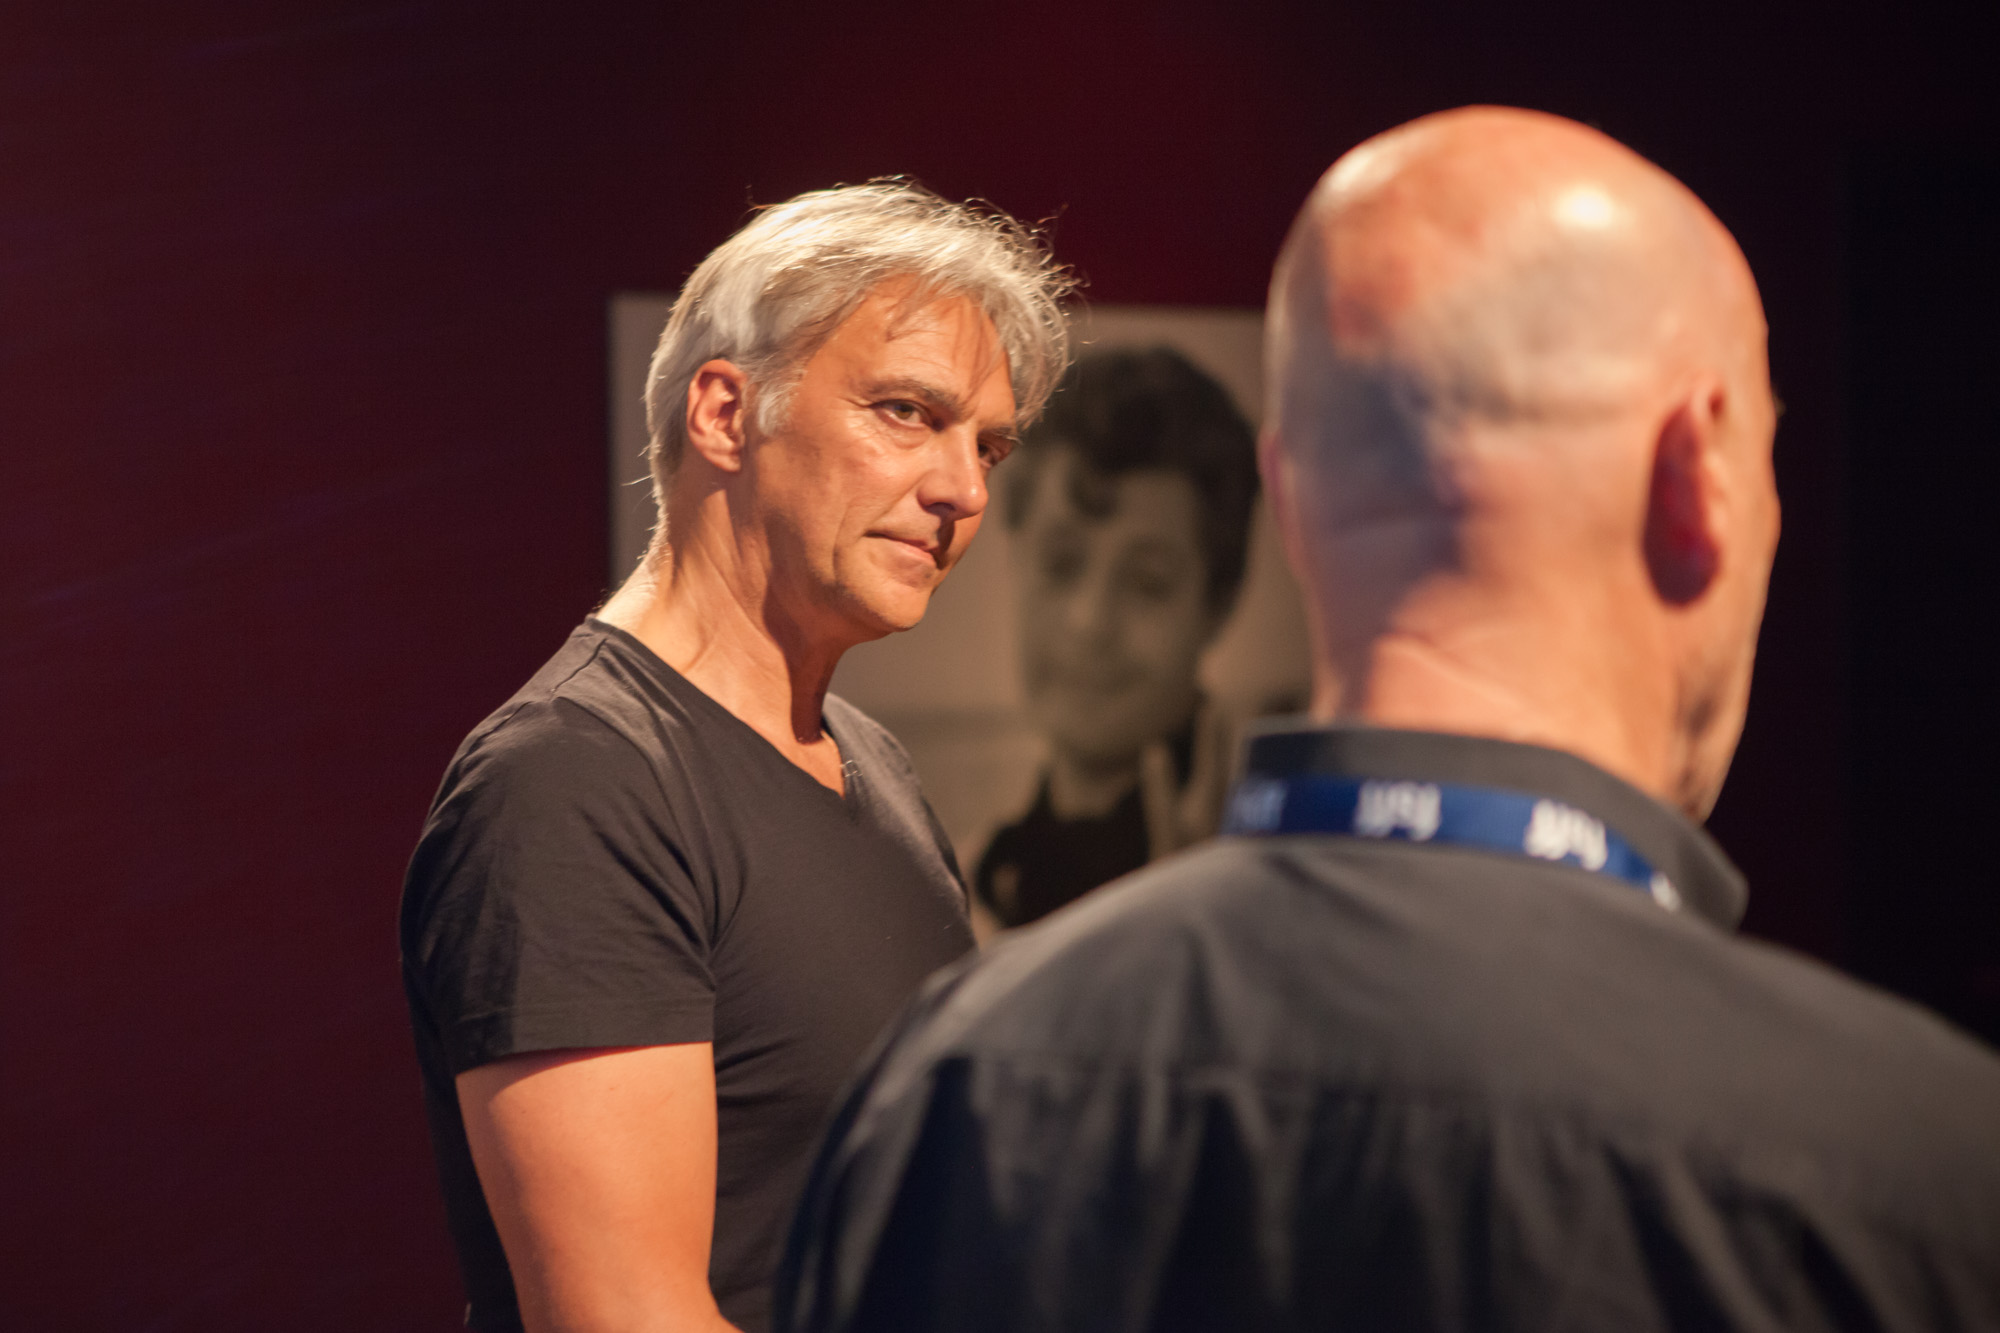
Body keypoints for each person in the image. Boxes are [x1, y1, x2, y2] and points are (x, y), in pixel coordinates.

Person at [776, 110, 2000, 1332]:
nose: (1091, 625)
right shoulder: (1923, 1174)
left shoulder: (950, 1094)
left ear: (1287, 500)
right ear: (1701, 479)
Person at [399, 181, 1072, 1333]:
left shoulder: (872, 761)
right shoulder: (574, 782)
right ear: (723, 413)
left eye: (987, 444)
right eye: (905, 412)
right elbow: (624, 1316)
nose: (962, 489)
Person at [973, 346, 1259, 931]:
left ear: (1218, 603)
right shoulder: (967, 881)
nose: (1089, 622)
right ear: (1014, 556)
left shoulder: (1268, 883)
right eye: (1061, 564)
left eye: (1148, 583)